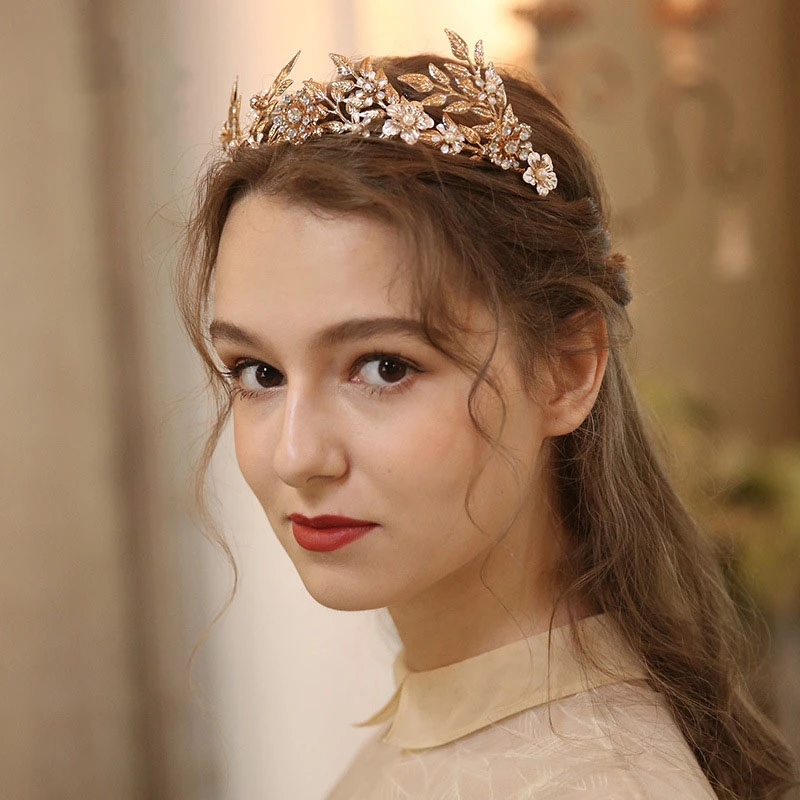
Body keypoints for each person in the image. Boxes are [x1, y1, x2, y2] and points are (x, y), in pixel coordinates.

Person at [176, 28, 797, 800]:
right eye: (259, 373)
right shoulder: (454, 734)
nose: (297, 455)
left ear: (568, 369)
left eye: (384, 367)